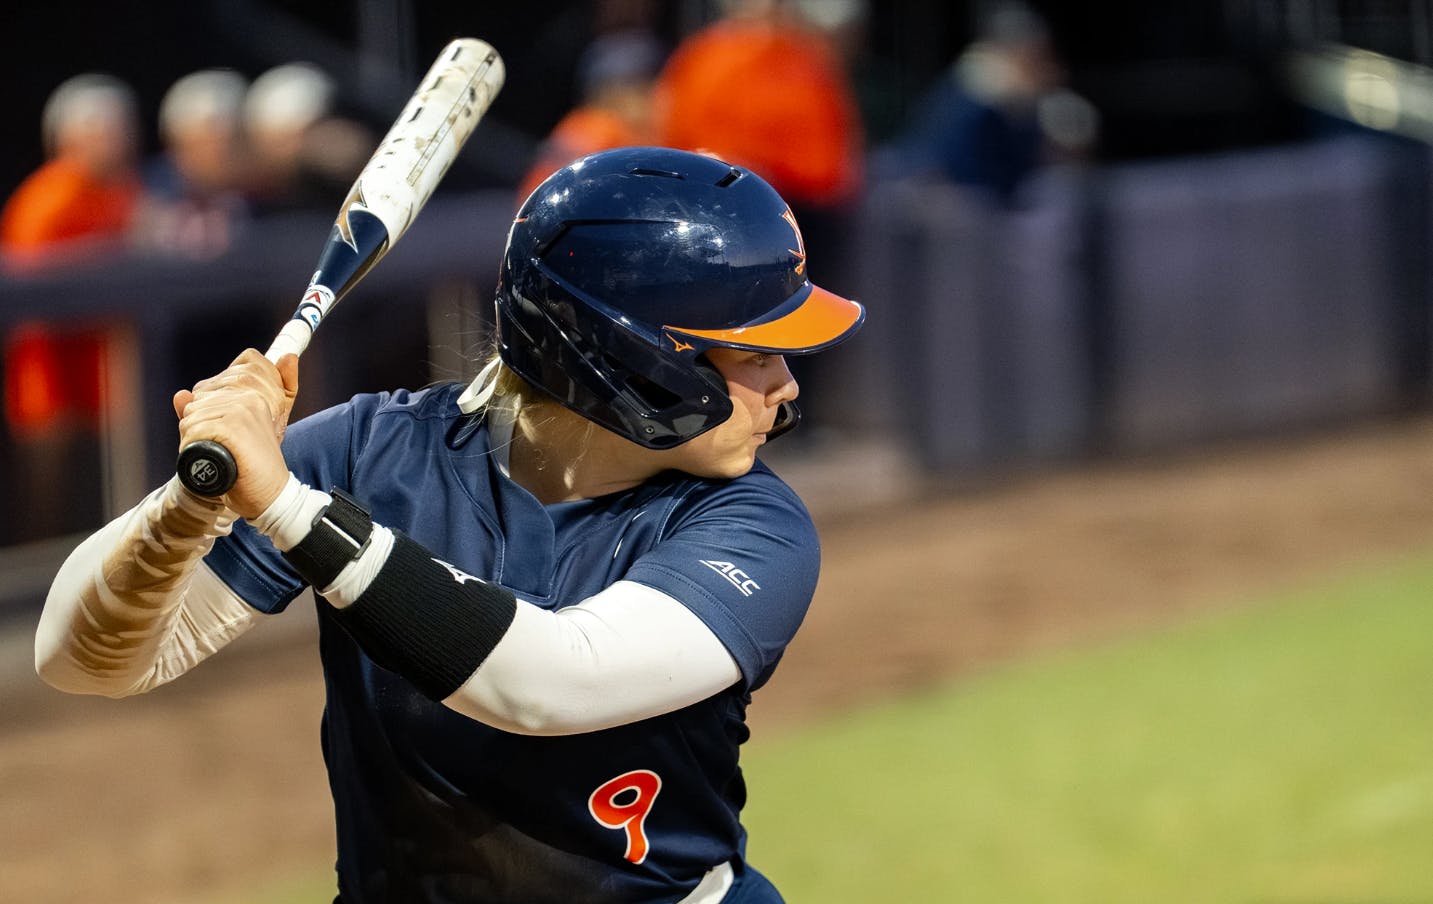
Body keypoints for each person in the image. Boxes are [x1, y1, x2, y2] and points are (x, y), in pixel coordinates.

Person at [36, 146, 866, 903]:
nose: (786, 386)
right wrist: (192, 504)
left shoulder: (752, 523)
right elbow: (86, 664)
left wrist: (288, 507)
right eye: (753, 354)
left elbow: (555, 683)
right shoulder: (367, 453)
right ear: (639, 359)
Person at [515, 29, 666, 204]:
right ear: (608, 92)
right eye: (642, 87)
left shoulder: (642, 134)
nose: (657, 96)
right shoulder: (594, 128)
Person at [136, 67, 252, 259]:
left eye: (235, 136)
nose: (224, 149)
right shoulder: (151, 200)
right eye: (210, 138)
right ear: (177, 141)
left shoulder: (263, 195)